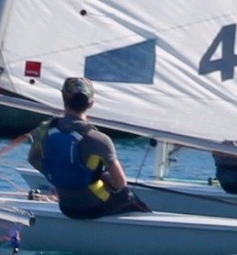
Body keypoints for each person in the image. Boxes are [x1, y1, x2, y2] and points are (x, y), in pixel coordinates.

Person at [28, 76, 152, 220]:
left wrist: (59, 174)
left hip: (66, 206)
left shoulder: (45, 130)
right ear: (91, 102)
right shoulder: (100, 140)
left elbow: (33, 160)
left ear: (63, 97)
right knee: (129, 196)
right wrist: (104, 177)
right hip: (94, 208)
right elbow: (120, 183)